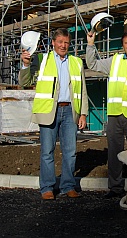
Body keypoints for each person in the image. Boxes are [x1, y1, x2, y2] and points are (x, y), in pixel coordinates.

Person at [19, 28, 88, 200]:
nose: (63, 45)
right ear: (53, 43)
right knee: (47, 152)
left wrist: (83, 114)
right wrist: (25, 65)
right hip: (49, 111)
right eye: (60, 42)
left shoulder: (76, 62)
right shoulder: (42, 59)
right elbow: (25, 82)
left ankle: (68, 186)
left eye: (66, 42)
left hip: (70, 111)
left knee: (70, 151)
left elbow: (83, 90)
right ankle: (47, 187)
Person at [86, 31, 127, 199]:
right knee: (114, 154)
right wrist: (90, 44)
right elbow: (92, 64)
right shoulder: (114, 61)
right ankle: (115, 187)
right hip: (115, 115)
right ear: (123, 45)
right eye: (126, 43)